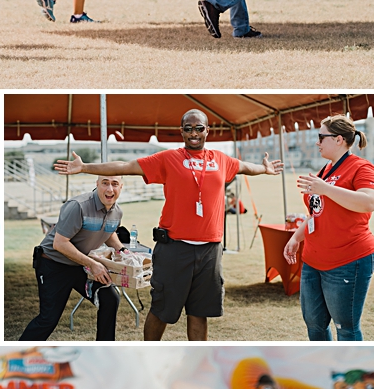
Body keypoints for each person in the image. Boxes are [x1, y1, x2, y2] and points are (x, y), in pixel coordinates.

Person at [55, 109, 282, 341]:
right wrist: (84, 167)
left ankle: (197, 361)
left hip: (210, 251)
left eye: (199, 128)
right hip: (175, 249)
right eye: (188, 128)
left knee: (199, 312)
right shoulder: (168, 158)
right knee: (163, 310)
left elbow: (246, 167)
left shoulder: (221, 160)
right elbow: (124, 166)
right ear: (181, 131)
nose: (194, 133)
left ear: (207, 131)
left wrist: (264, 169)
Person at [283, 116, 374, 341]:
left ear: (339, 139)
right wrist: (296, 237)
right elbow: (318, 213)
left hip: (347, 261)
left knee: (346, 328)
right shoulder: (326, 169)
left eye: (321, 137)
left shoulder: (361, 167)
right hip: (313, 261)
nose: (317, 142)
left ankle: (351, 373)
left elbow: (368, 201)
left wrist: (325, 189)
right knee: (314, 324)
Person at [19, 176, 124, 341]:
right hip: (53, 265)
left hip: (80, 265)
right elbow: (59, 244)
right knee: (48, 319)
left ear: (121, 187)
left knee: (110, 299)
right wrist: (92, 264)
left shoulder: (117, 211)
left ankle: (104, 347)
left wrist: (123, 251)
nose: (110, 189)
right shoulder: (78, 206)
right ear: (96, 184)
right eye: (105, 183)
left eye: (114, 184)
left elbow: (109, 232)